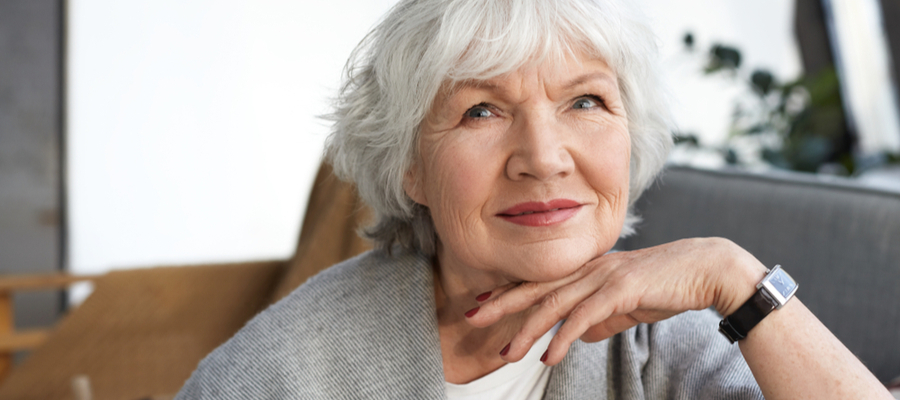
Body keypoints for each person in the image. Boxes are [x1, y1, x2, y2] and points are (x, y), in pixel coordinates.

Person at [176, 0, 891, 398]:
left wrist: (736, 278)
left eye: (585, 101)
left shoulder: (669, 339)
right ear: (409, 170)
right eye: (481, 111)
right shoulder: (286, 371)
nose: (544, 158)